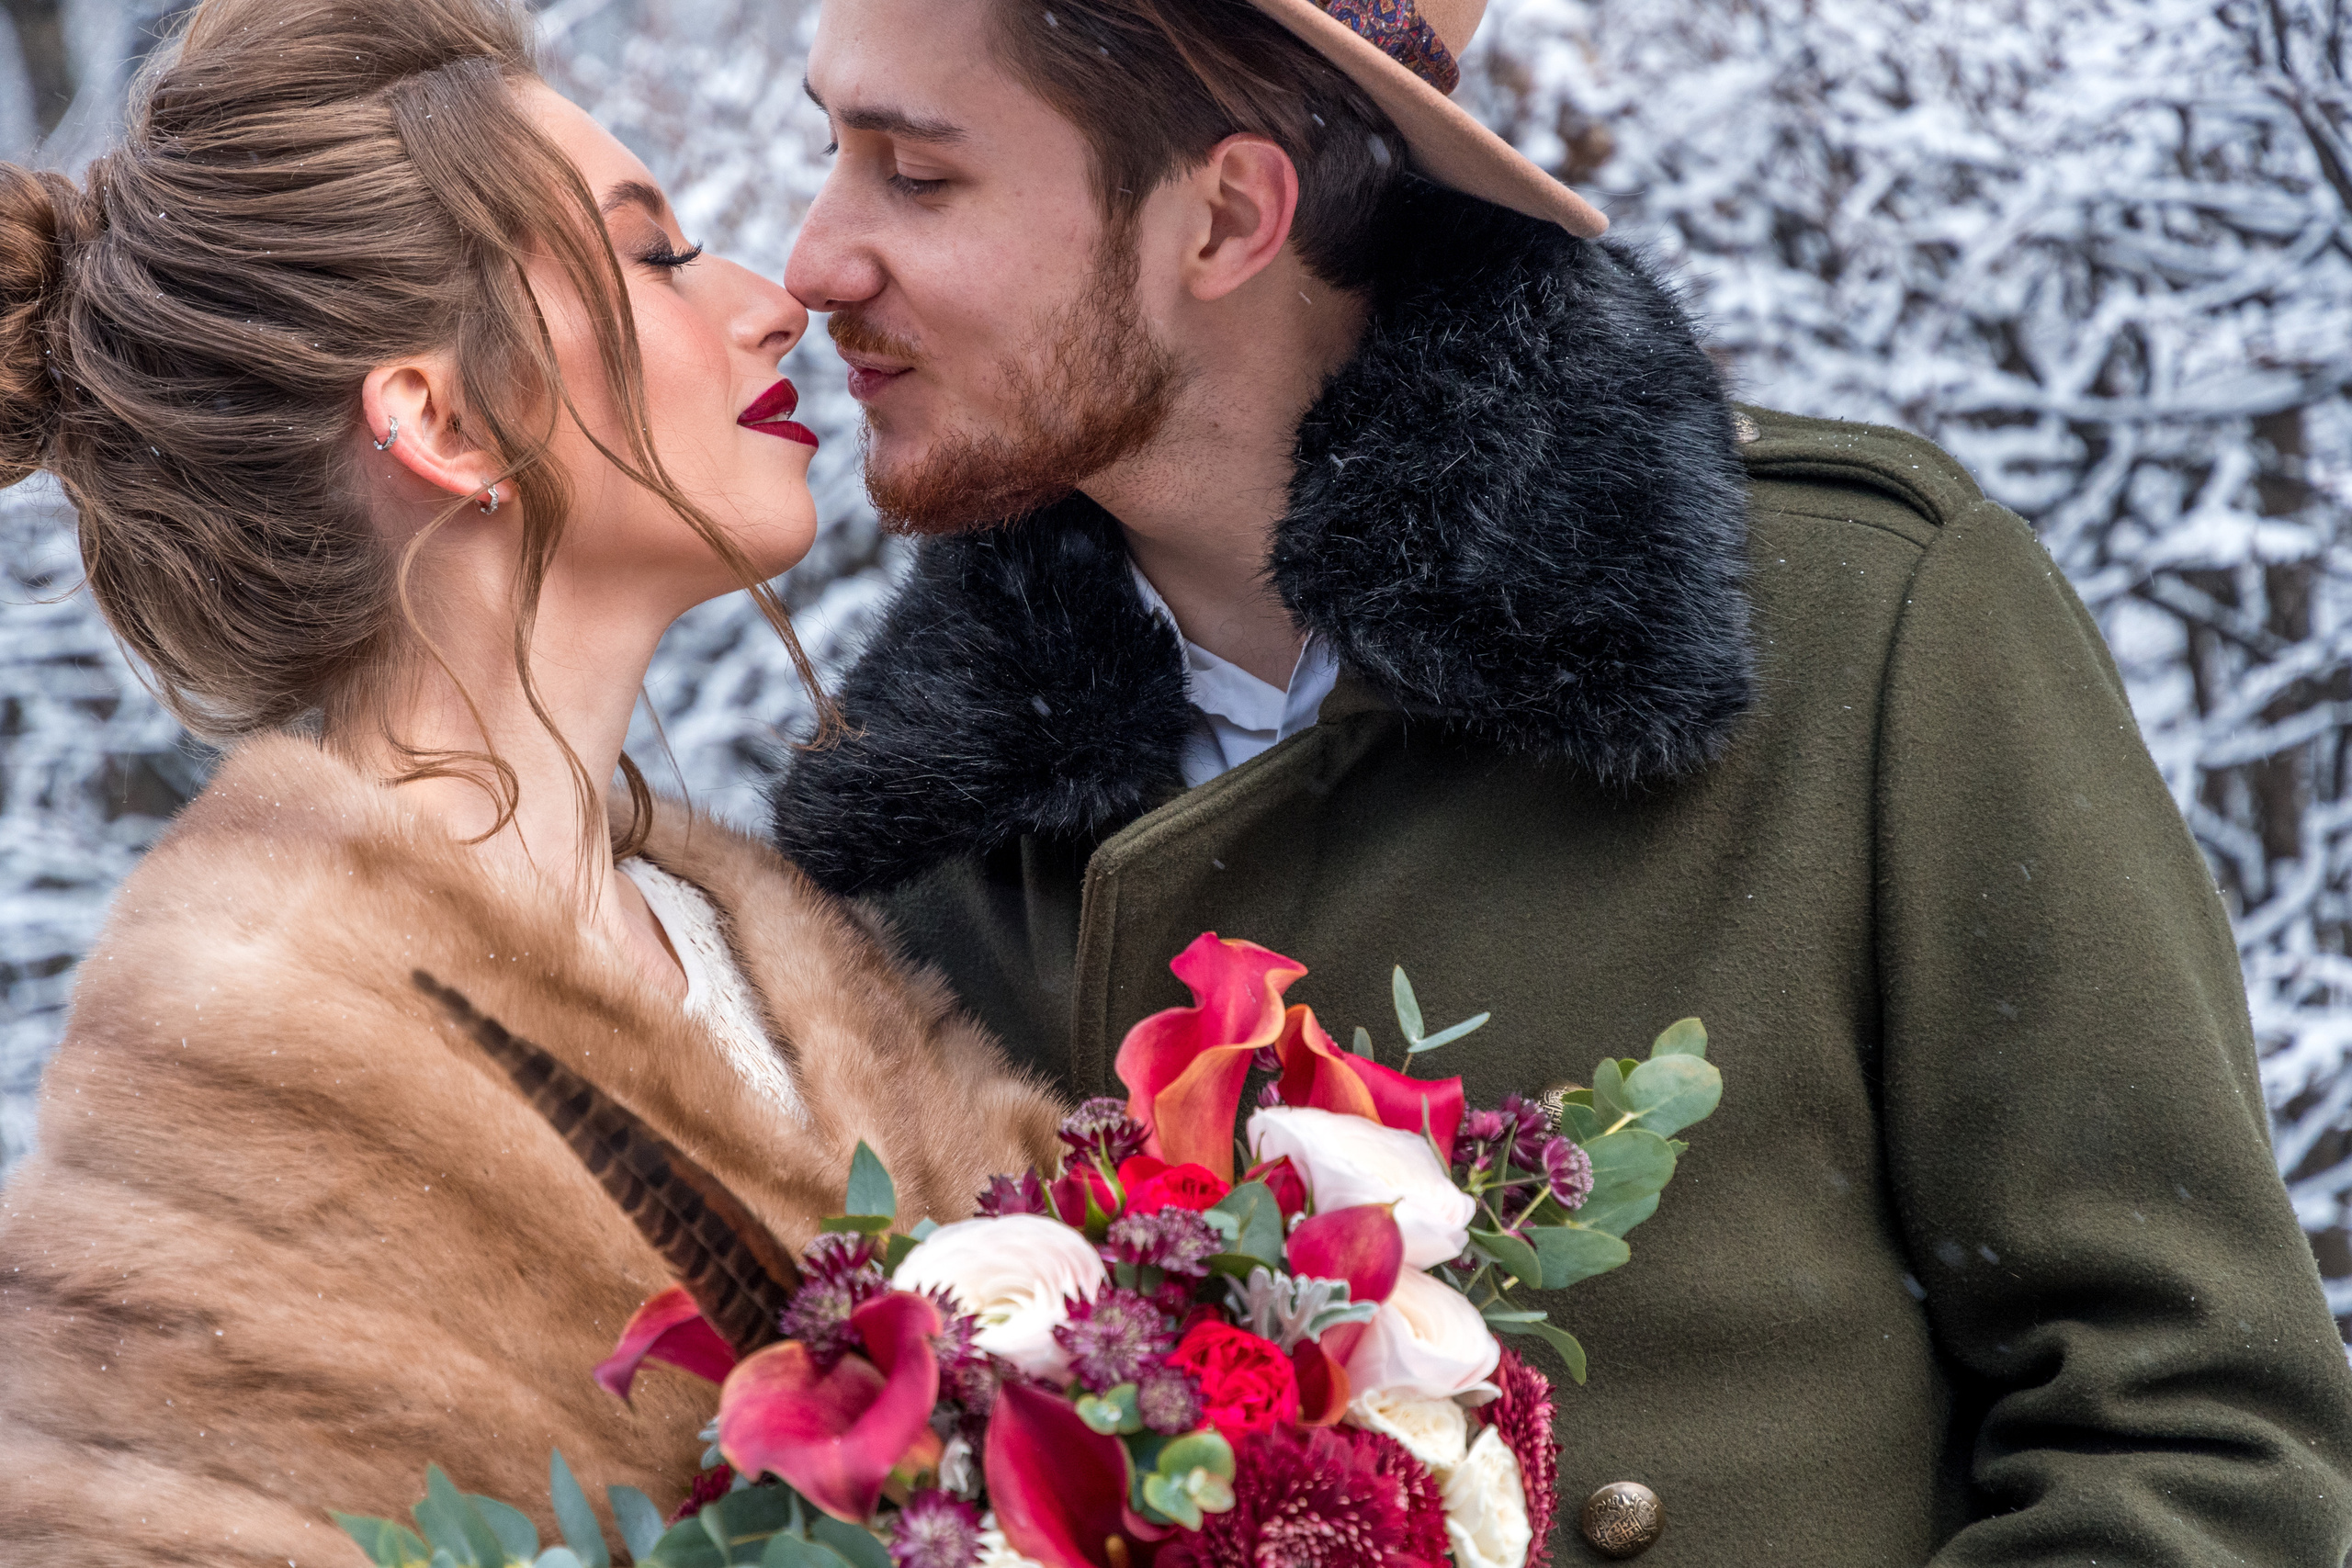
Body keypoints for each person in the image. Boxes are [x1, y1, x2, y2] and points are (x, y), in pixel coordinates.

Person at [765, 0, 2352, 1562]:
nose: (813, 261)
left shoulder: (1860, 628)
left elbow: (2202, 1433)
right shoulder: (897, 847)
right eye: (831, 149)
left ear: (1228, 217)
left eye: (916, 176)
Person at [0, 0, 1065, 1559]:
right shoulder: (249, 1070)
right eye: (654, 255)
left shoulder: (786, 951)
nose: (774, 304)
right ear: (435, 419)